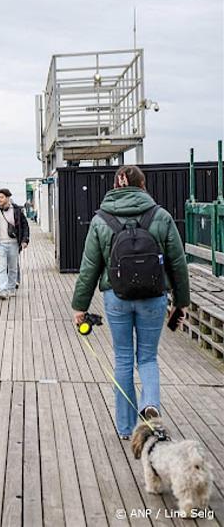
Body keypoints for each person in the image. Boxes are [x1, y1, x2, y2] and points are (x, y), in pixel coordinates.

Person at [70, 165, 190, 440]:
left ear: (116, 185)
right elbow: (177, 262)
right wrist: (181, 302)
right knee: (147, 357)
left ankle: (125, 428)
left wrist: (80, 307)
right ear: (142, 185)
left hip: (116, 297)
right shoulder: (161, 216)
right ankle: (150, 405)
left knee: (122, 358)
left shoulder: (101, 219)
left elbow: (89, 266)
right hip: (154, 297)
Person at [0, 187, 30, 299]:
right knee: (2, 268)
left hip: (14, 243)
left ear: (8, 197)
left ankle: (11, 288)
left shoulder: (17, 210)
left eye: (2, 197)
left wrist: (24, 240)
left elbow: (25, 226)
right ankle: (3, 290)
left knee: (13, 267)